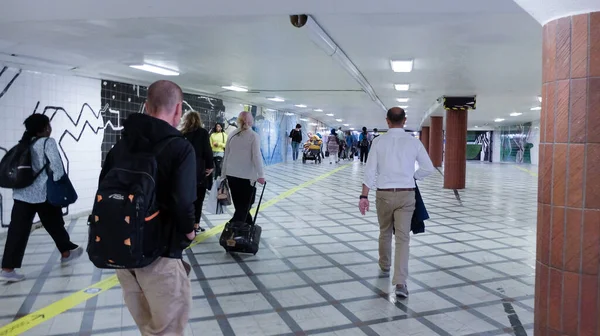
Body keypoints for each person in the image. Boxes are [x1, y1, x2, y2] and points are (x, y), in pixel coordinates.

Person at [100, 80, 196, 335]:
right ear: (177, 111)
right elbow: (184, 201)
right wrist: (189, 231)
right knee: (167, 328)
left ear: (146, 106)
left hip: (122, 251)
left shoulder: (121, 146)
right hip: (159, 255)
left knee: (147, 325)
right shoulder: (180, 148)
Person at [358, 107, 434, 298]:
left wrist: (364, 196)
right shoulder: (413, 142)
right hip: (406, 195)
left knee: (384, 231)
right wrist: (413, 176)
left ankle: (385, 265)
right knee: (403, 238)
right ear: (405, 120)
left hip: (383, 194)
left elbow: (370, 170)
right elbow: (428, 168)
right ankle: (400, 283)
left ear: (387, 121)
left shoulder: (378, 141)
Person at [0, 114, 83, 282]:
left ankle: (8, 268)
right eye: (49, 125)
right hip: (43, 194)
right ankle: (66, 252)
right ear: (45, 128)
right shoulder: (47, 142)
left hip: (21, 194)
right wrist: (58, 180)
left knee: (17, 231)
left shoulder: (23, 144)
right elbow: (58, 169)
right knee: (55, 224)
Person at [221, 112, 266, 225]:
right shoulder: (254, 136)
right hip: (246, 176)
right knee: (245, 205)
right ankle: (233, 226)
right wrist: (261, 175)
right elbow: (256, 156)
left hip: (231, 175)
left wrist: (223, 174)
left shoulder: (231, 134)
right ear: (251, 122)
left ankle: (247, 227)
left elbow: (226, 155)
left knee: (240, 205)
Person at [181, 111, 214, 233]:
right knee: (198, 200)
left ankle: (184, 224)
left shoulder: (181, 133)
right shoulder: (203, 133)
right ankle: (195, 226)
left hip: (183, 172)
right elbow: (207, 151)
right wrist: (210, 167)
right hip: (199, 171)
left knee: (185, 199)